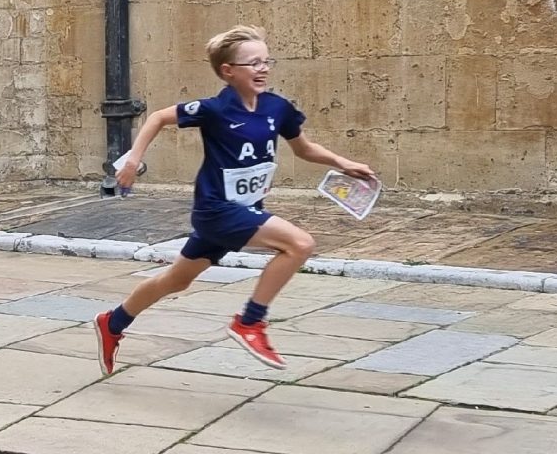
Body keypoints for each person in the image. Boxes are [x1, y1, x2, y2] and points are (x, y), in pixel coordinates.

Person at [93, 25, 376, 373]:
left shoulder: (277, 108)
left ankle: (113, 323)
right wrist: (134, 159)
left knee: (177, 280)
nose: (263, 69)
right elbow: (158, 117)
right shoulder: (214, 109)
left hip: (243, 210)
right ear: (228, 71)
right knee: (300, 245)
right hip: (216, 211)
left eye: (266, 61)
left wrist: (342, 163)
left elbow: (304, 148)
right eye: (252, 63)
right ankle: (250, 322)